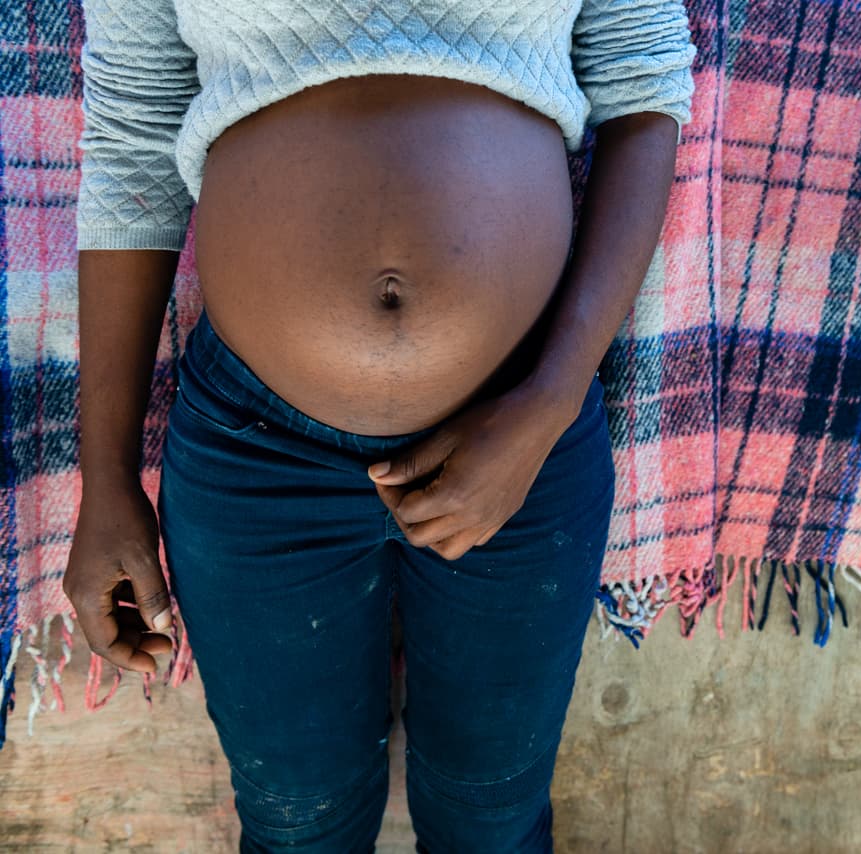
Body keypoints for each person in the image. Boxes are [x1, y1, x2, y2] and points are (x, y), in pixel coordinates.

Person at [63, 1, 695, 851]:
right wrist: (103, 480)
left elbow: (643, 86)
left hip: (523, 439)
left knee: (494, 825)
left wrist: (549, 403)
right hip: (257, 458)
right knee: (297, 829)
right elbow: (131, 146)